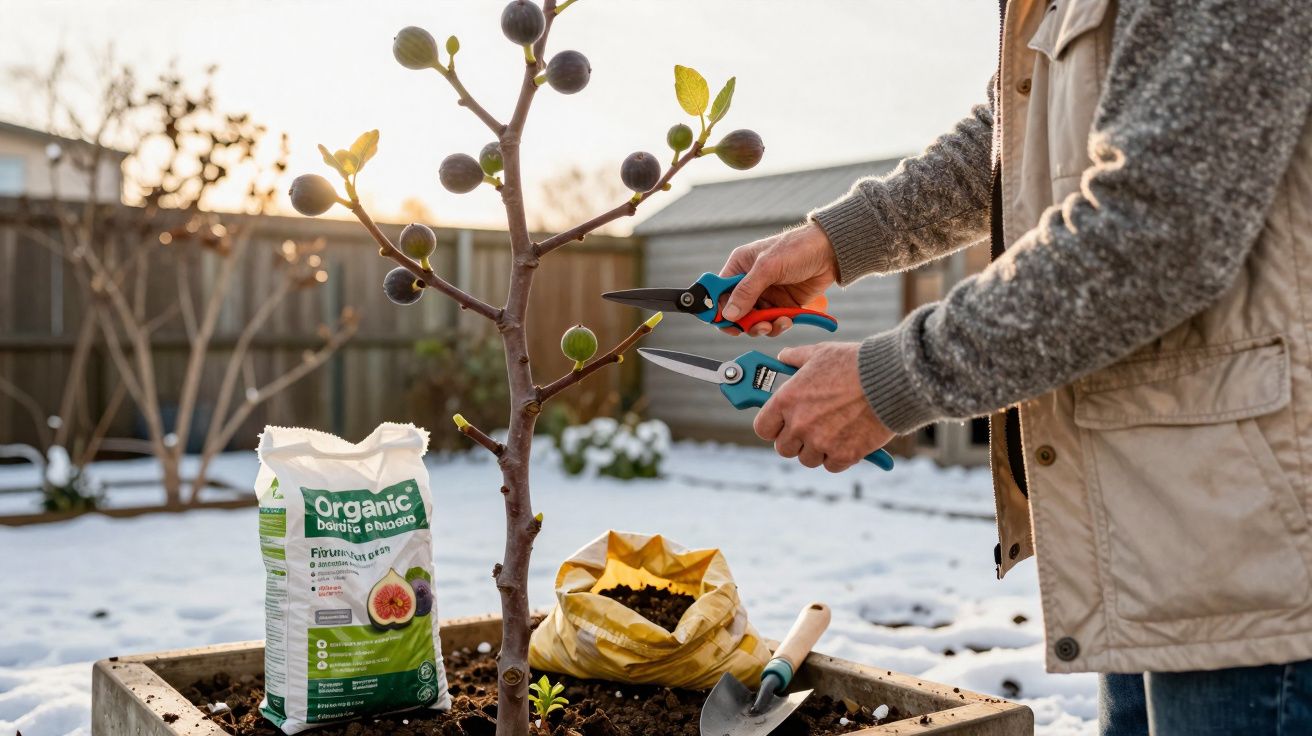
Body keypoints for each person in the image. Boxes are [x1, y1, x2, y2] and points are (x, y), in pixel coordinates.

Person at [716, 1, 1312, 734]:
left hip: (1253, 547)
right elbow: (1009, 131)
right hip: (1147, 530)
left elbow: (1159, 232)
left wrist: (894, 378)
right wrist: (839, 240)